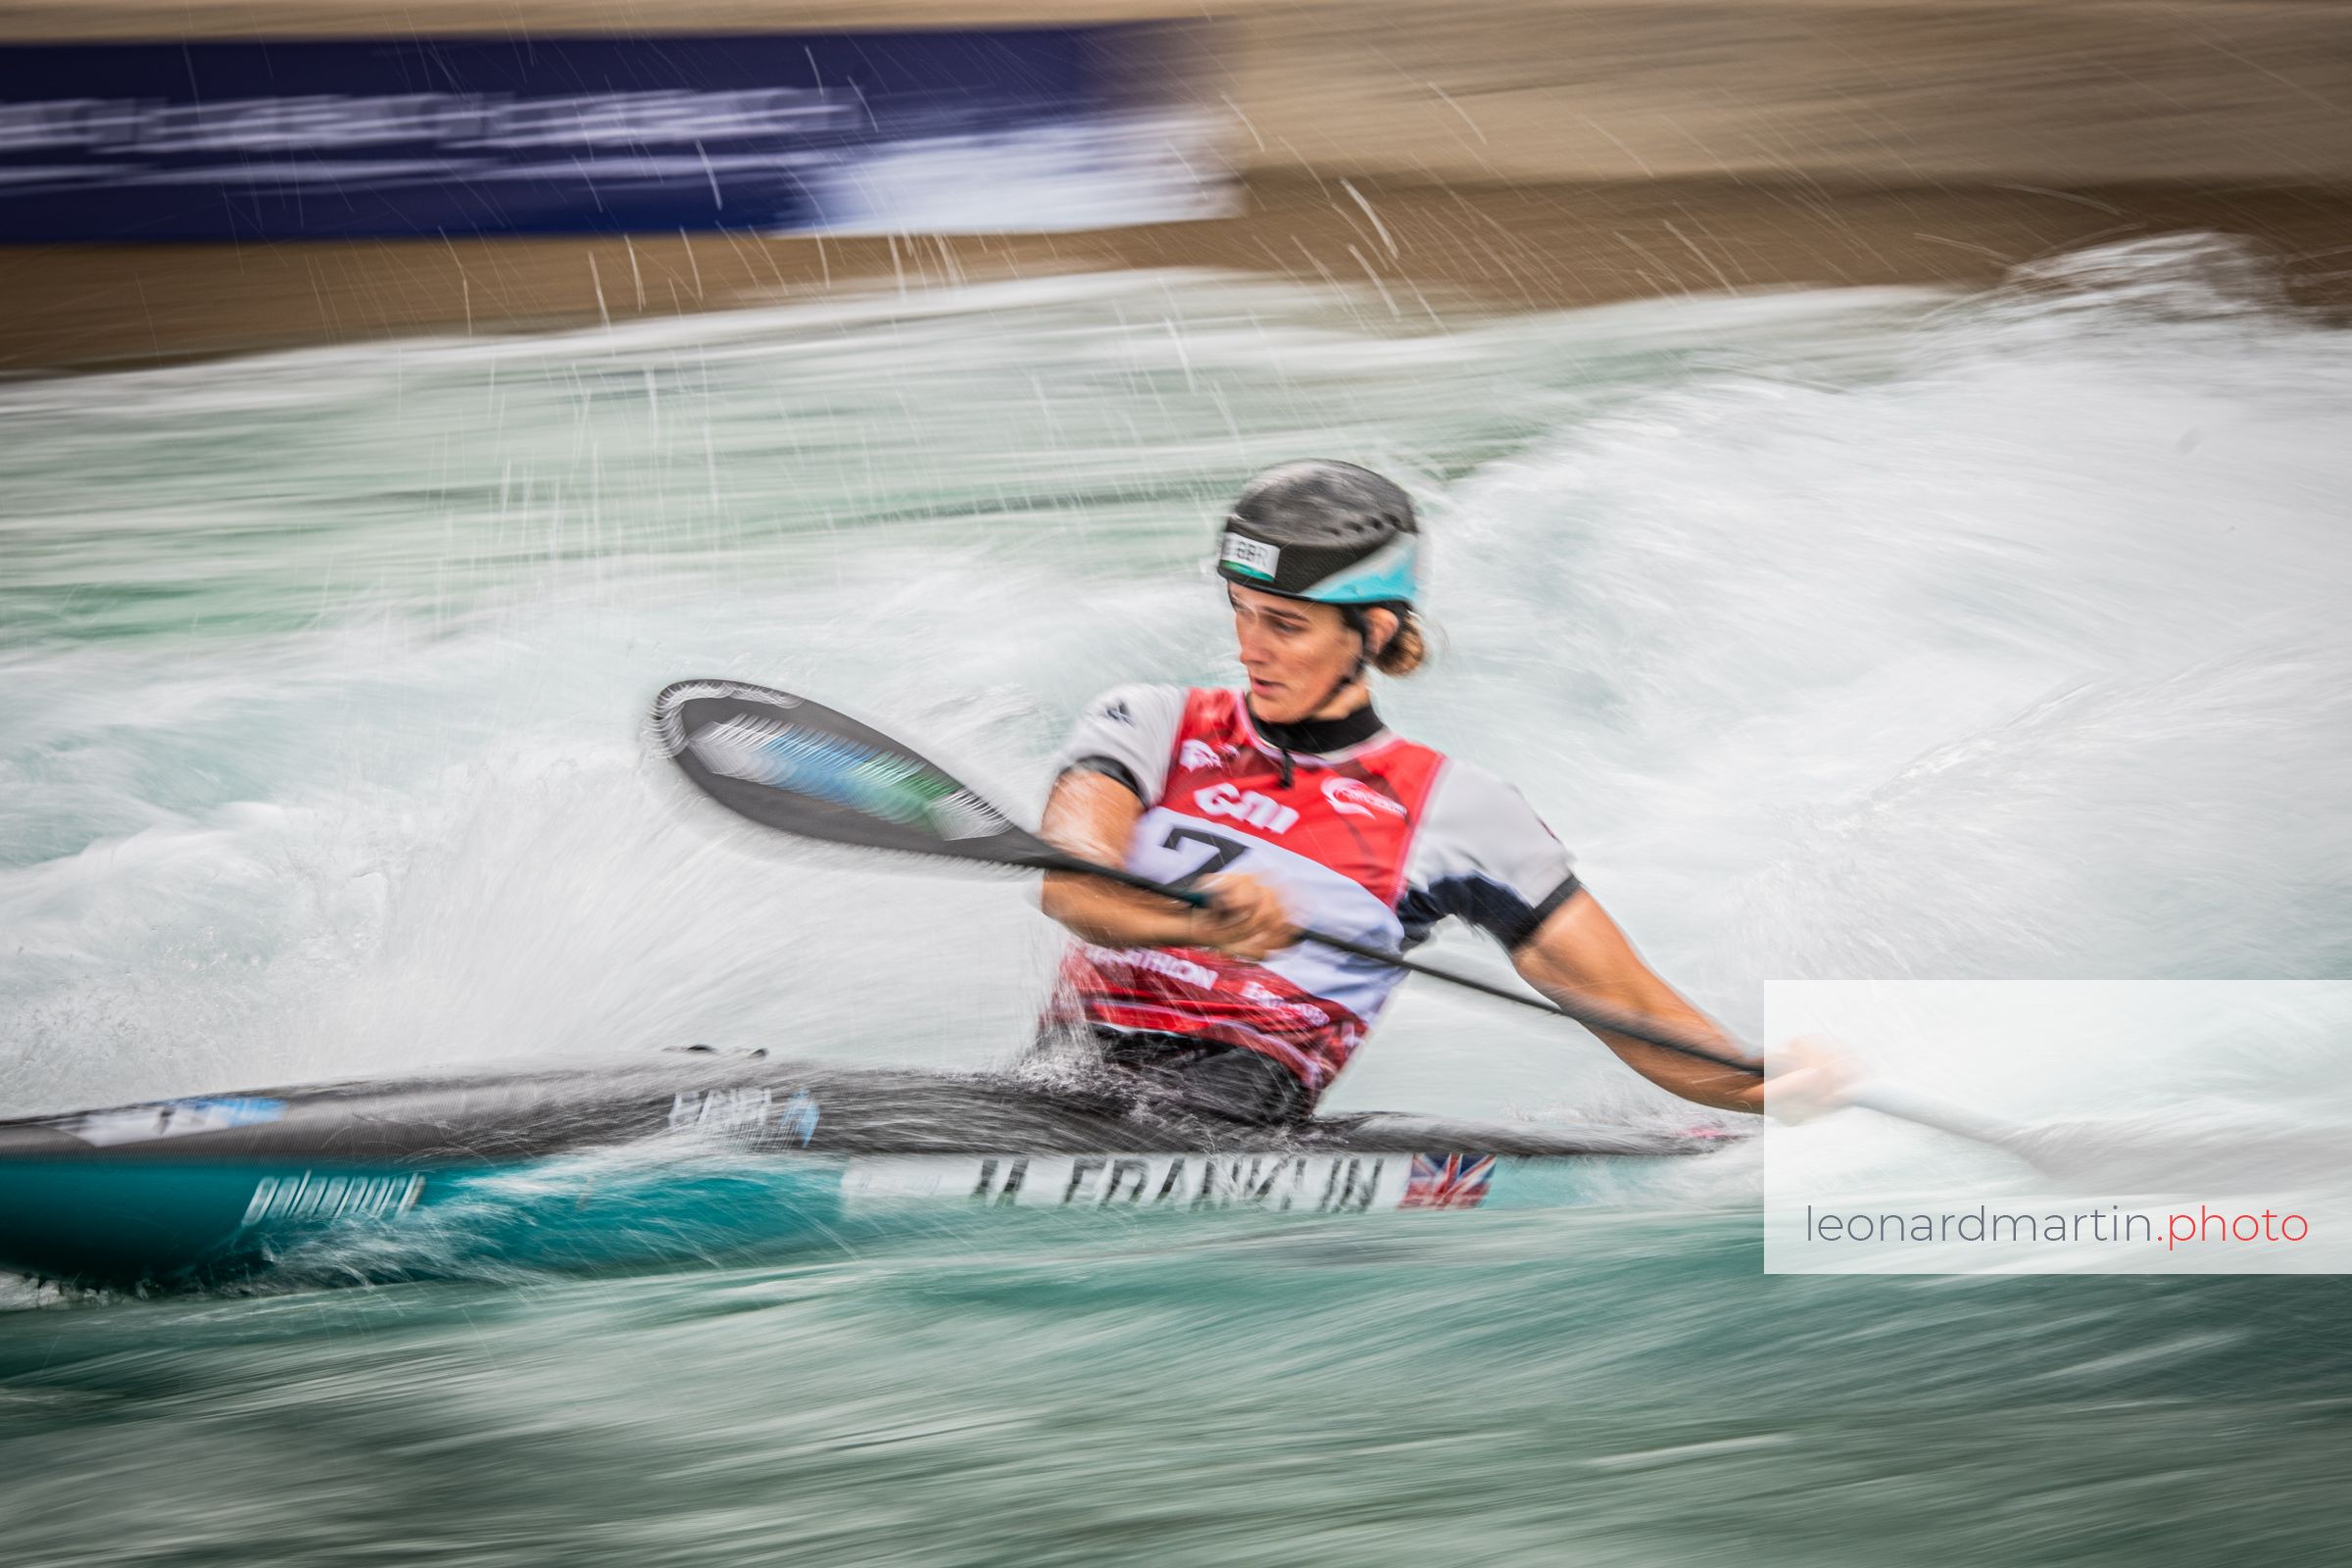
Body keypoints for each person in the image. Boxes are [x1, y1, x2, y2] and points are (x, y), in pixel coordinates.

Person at [1034, 459, 1770, 1126]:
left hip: (1231, 1130)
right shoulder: (1149, 722)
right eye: (1242, 609)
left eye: (1286, 625)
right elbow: (1072, 886)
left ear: (1374, 631)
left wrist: (1773, 1092)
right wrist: (1197, 925)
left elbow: (1631, 1009)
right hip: (1052, 1097)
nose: (1250, 647)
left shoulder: (1463, 814)